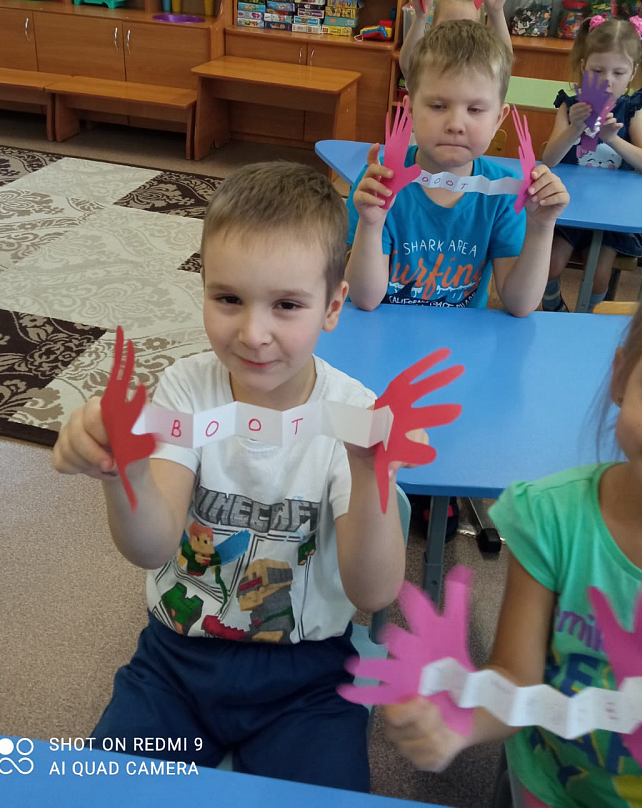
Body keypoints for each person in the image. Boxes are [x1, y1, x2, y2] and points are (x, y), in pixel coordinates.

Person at [52, 162, 425, 791]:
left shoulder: (354, 415)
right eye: (228, 299)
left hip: (308, 680)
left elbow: (373, 592)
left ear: (333, 306)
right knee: (103, 792)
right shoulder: (185, 390)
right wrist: (121, 473)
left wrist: (370, 474)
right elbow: (152, 547)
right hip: (176, 664)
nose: (253, 334)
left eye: (287, 305)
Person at [384, 262, 642, 807]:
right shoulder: (554, 519)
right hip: (544, 788)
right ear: (620, 376)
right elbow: (516, 679)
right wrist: (458, 721)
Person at [346, 19, 569, 314]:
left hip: (461, 340)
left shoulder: (504, 194)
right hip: (383, 334)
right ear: (410, 110)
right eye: (438, 106)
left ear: (498, 119)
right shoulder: (381, 183)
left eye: (475, 109)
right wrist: (371, 226)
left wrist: (541, 228)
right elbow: (364, 300)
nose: (455, 124)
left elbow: (520, 304)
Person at [541, 15, 642, 313]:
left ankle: (589, 317)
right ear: (583, 67)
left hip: (612, 213)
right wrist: (575, 128)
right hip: (570, 207)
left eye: (619, 72)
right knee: (550, 264)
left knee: (598, 275)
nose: (608, 80)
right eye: (597, 70)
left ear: (632, 73)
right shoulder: (570, 106)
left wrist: (613, 139)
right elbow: (549, 159)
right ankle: (554, 308)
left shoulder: (631, 110)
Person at [398, 0, 516, 81]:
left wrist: (496, 12)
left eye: (467, 27)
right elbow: (409, 66)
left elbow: (504, 66)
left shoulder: (482, 68)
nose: (456, 33)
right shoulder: (430, 63)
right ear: (432, 29)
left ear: (482, 33)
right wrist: (421, 18)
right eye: (446, 27)